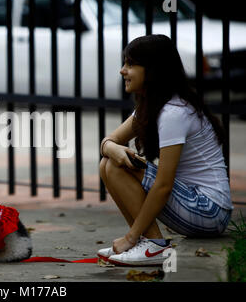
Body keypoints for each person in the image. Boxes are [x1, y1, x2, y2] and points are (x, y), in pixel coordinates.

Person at [97, 34, 233, 266]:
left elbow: (163, 185)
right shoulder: (154, 105)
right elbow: (110, 140)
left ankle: (151, 245)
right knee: (108, 163)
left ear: (152, 70)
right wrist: (112, 149)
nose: (122, 71)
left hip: (210, 212)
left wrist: (113, 152)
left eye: (130, 64)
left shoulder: (174, 112)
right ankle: (145, 242)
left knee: (115, 166)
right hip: (193, 205)